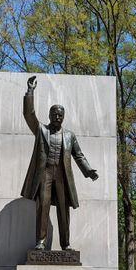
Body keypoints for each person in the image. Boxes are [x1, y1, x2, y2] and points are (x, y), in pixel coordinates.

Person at [21, 76, 99, 250]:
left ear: (63, 117)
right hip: (45, 174)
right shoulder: (41, 130)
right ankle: (40, 242)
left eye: (60, 115)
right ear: (49, 115)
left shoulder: (70, 135)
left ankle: (66, 244)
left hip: (63, 176)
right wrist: (30, 91)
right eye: (54, 114)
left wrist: (88, 171)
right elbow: (28, 114)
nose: (57, 117)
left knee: (64, 210)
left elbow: (79, 155)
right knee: (43, 207)